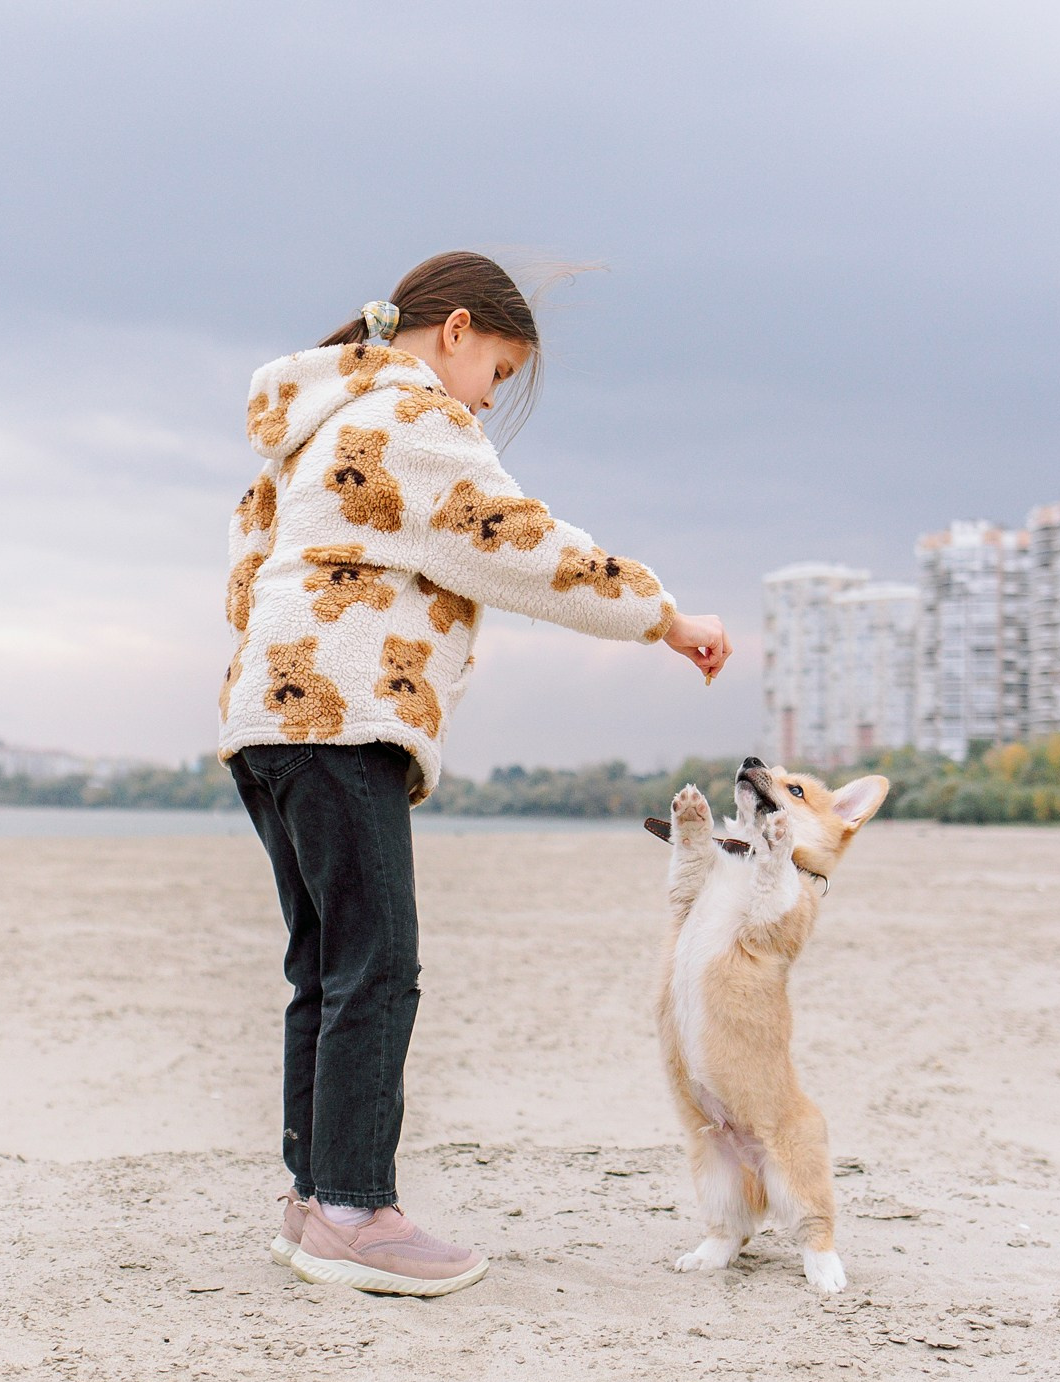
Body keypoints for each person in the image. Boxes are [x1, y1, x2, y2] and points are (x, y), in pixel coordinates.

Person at [218, 251, 730, 1296]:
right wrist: (666, 617)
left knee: (326, 965)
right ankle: (355, 1210)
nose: (489, 399)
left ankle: (315, 1201)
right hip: (343, 716)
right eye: (496, 371)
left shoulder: (314, 422)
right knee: (377, 963)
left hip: (268, 716)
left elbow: (247, 566)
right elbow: (521, 545)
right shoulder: (412, 417)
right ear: (455, 330)